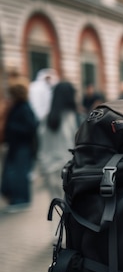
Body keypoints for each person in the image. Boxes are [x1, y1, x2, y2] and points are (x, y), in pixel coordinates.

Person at [37, 81, 80, 203]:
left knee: (56, 208)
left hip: (49, 169)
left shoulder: (46, 120)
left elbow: (40, 146)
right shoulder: (75, 118)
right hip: (70, 170)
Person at [1, 76, 38, 212]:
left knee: (19, 174)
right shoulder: (17, 106)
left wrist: (12, 128)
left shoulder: (24, 107)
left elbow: (31, 126)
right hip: (17, 146)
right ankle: (15, 199)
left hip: (23, 146)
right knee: (13, 173)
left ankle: (21, 201)